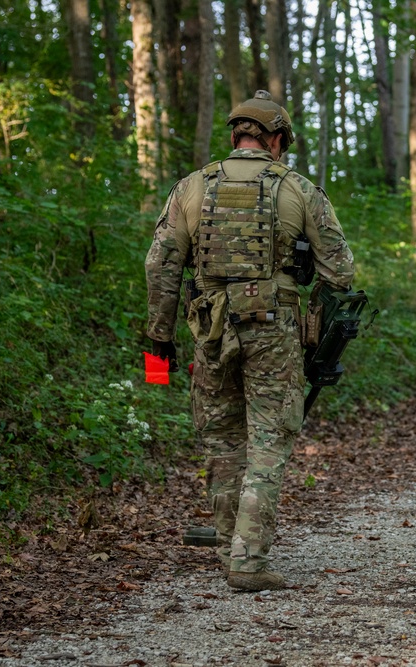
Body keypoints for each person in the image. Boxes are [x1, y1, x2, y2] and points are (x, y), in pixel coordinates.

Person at [145, 91, 355, 591]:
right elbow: (340, 272)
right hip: (273, 326)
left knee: (220, 439)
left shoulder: (192, 187)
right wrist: (313, 329)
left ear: (236, 135)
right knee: (268, 439)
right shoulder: (298, 189)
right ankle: (248, 561)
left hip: (210, 327)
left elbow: (161, 265)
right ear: (278, 139)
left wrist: (158, 342)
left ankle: (226, 548)